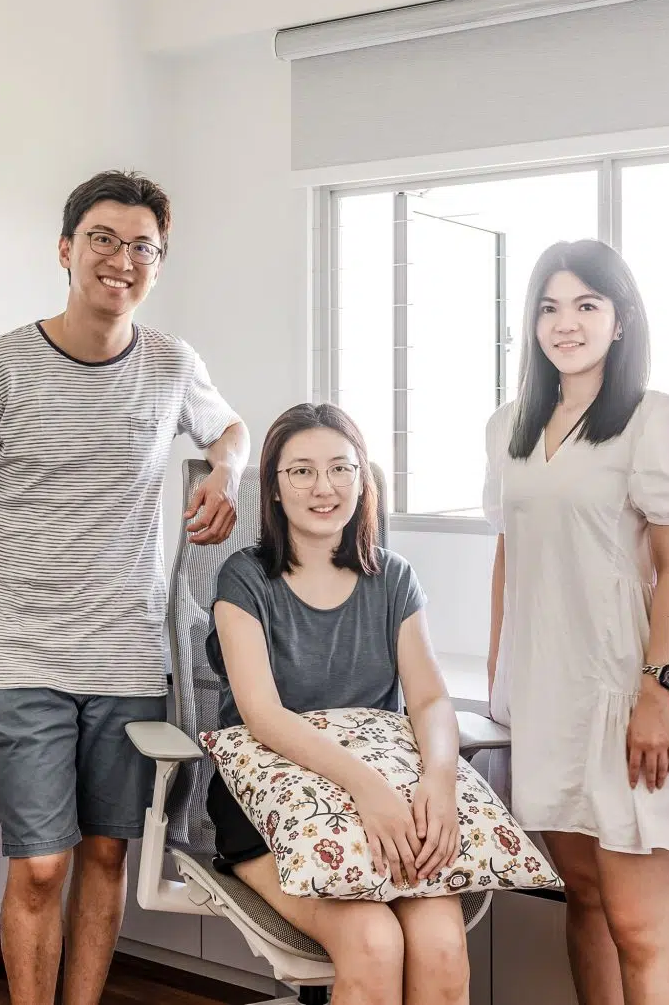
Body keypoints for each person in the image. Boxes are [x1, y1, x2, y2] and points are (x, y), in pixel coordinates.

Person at [0, 170, 249, 1005]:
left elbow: (232, 427)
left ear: (158, 265)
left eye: (143, 247)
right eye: (104, 239)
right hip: (21, 652)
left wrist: (226, 469)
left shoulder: (173, 363)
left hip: (129, 657)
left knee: (107, 853)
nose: (122, 259)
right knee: (40, 864)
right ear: (66, 249)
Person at [483, 240, 669, 1005]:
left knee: (640, 926)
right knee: (585, 900)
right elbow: (510, 554)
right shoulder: (509, 427)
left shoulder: (657, 420)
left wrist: (657, 695)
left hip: (627, 698)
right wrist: (500, 677)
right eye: (549, 308)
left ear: (620, 320)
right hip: (547, 700)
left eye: (586, 305)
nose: (566, 323)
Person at [208, 403, 469, 1005]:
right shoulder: (243, 579)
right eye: (301, 471)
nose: (323, 487)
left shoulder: (394, 578)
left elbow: (430, 698)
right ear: (274, 488)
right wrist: (366, 789)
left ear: (362, 479)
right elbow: (262, 714)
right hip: (271, 804)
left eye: (340, 468)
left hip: (385, 801)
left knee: (441, 947)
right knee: (374, 944)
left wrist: (439, 779)